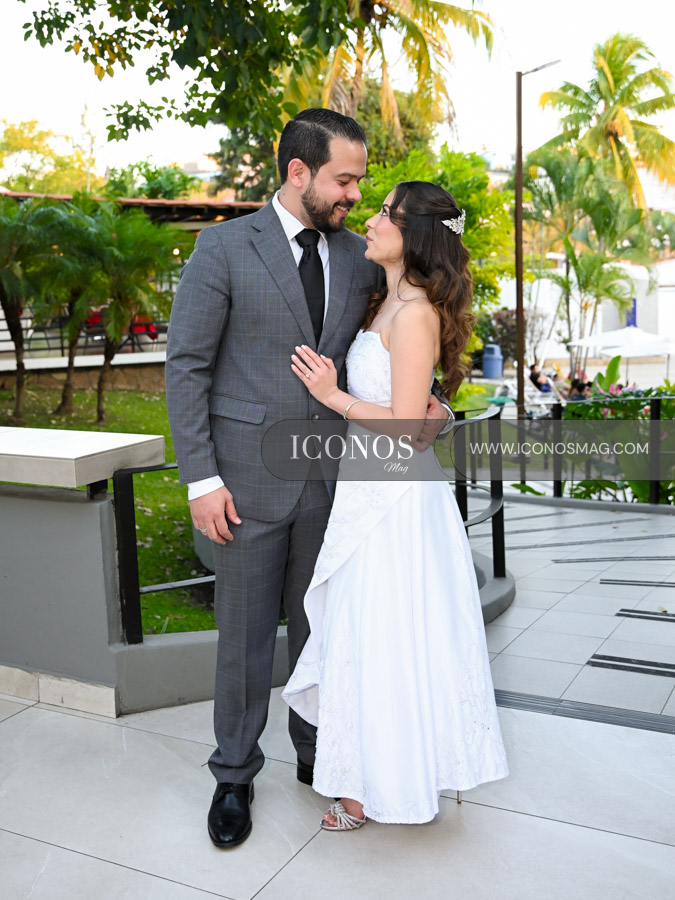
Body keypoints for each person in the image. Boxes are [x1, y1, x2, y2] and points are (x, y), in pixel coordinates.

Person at [165, 109, 450, 848]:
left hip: (340, 488)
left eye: (360, 182)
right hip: (245, 485)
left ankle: (319, 753)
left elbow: (406, 346)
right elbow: (187, 368)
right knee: (244, 639)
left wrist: (434, 409)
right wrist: (200, 480)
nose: (355, 195)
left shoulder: (362, 257)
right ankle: (233, 775)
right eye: (344, 180)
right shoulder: (223, 247)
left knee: (325, 631)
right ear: (299, 173)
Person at [282, 181, 509, 829]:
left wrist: (333, 397)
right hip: (371, 485)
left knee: (382, 635)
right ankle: (371, 777)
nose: (372, 220)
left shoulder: (412, 314)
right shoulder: (387, 302)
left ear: (414, 236)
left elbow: (408, 425)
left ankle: (374, 788)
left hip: (395, 500)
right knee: (368, 634)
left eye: (386, 213)